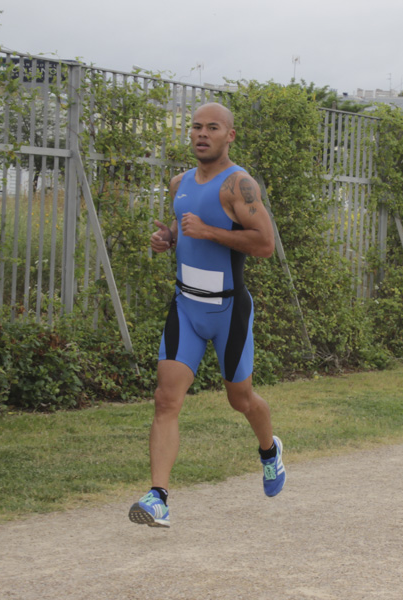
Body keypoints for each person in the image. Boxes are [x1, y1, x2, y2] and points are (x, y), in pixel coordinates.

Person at [128, 102, 285, 528]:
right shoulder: (179, 181)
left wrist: (209, 232)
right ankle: (158, 497)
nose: (201, 134)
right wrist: (169, 238)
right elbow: (185, 231)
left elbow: (265, 244)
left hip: (228, 310)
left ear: (229, 136)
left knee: (241, 399)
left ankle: (269, 450)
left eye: (212, 128)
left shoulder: (239, 185)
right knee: (166, 399)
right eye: (196, 127)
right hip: (186, 307)